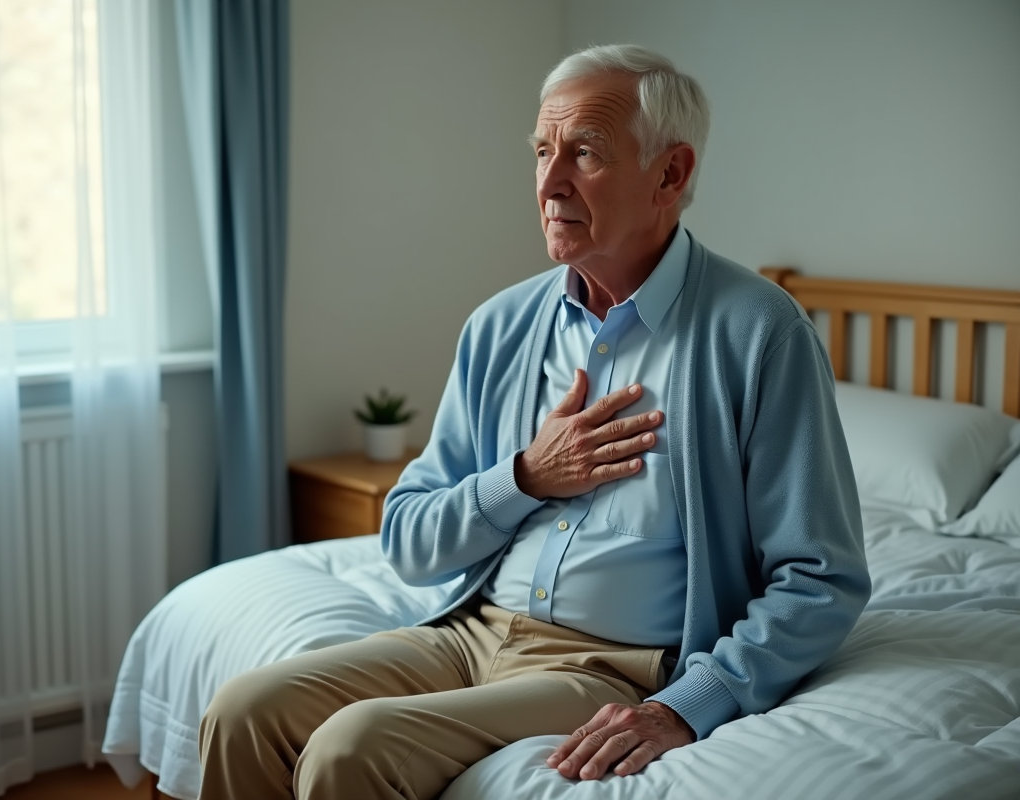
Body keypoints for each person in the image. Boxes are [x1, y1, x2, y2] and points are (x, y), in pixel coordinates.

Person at [197, 43, 870, 800]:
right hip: (468, 632)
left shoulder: (759, 332)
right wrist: (525, 477)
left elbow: (822, 577)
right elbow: (409, 538)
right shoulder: (501, 326)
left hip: (606, 666)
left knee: (350, 749)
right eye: (543, 151)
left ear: (671, 175)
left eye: (585, 152)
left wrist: (689, 704)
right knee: (241, 712)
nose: (549, 184)